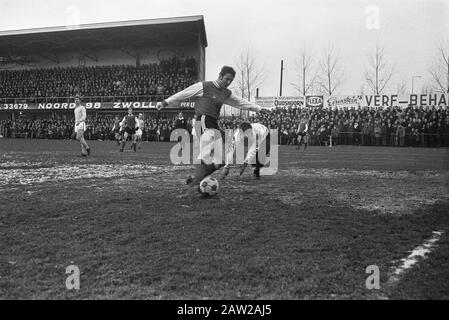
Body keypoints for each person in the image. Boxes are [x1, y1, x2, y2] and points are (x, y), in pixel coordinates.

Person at [156, 66, 266, 191]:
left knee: (221, 158)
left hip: (213, 123)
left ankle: (197, 178)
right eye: (226, 79)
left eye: (231, 80)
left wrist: (259, 109)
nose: (228, 83)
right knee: (207, 152)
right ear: (220, 76)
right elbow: (184, 93)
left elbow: (240, 102)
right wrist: (165, 102)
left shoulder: (225, 93)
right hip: (202, 120)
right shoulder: (204, 86)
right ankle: (195, 185)